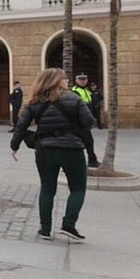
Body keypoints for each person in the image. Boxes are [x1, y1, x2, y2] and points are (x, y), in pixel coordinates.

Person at [10, 68, 95, 242]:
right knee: (78, 188)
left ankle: (45, 230)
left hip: (45, 149)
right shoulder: (74, 98)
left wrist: (15, 145)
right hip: (72, 149)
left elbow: (21, 125)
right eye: (64, 78)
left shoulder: (34, 101)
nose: (67, 81)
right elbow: (89, 121)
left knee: (47, 189)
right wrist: (74, 130)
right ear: (56, 81)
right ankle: (69, 225)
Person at [70, 73, 101, 167]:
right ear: (76, 80)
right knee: (81, 142)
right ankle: (88, 160)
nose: (83, 81)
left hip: (85, 121)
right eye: (80, 79)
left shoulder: (87, 91)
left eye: (84, 79)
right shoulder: (75, 91)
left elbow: (91, 103)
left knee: (88, 142)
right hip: (78, 122)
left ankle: (91, 160)